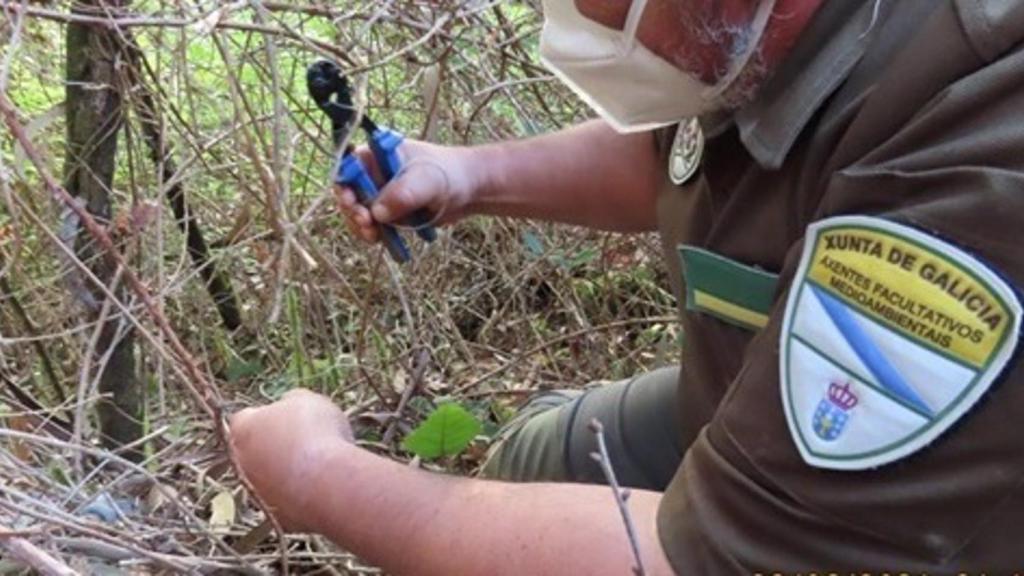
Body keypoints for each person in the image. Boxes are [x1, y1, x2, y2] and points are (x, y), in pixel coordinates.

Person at [230, 0, 1024, 573]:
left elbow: (716, 562)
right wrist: (471, 174)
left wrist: (316, 479)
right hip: (743, 391)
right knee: (535, 452)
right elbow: (686, 152)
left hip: (897, 531)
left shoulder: (975, 133)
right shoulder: (775, 34)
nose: (556, 18)